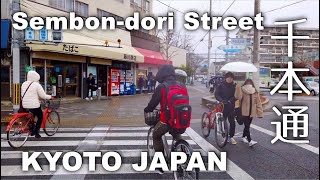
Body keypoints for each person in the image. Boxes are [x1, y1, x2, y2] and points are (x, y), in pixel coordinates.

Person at [144, 64, 184, 174]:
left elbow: (153, 104)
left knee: (156, 135)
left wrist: (147, 110)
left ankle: (160, 164)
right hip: (182, 119)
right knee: (176, 133)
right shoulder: (181, 85)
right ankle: (183, 149)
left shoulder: (162, 86)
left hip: (167, 120)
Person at [21, 71, 52, 138]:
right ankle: (36, 133)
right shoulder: (36, 84)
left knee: (32, 117)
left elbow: (28, 94)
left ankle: (32, 130)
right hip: (34, 105)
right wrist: (50, 97)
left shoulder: (24, 84)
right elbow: (43, 95)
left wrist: (37, 98)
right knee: (40, 117)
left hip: (25, 104)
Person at [235, 79, 263, 147]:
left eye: (250, 83)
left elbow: (258, 103)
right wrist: (238, 88)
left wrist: (260, 113)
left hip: (252, 112)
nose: (248, 84)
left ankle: (243, 137)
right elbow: (238, 97)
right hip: (243, 111)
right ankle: (250, 141)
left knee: (247, 126)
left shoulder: (255, 92)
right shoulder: (242, 90)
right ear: (245, 84)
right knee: (247, 126)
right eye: (247, 83)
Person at [214, 72, 237, 144]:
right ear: (225, 78)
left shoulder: (234, 86)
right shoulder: (220, 85)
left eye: (231, 78)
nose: (229, 79)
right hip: (222, 106)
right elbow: (216, 94)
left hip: (231, 106)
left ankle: (231, 136)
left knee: (232, 122)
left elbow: (236, 96)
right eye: (228, 77)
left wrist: (231, 100)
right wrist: (221, 100)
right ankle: (224, 136)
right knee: (223, 121)